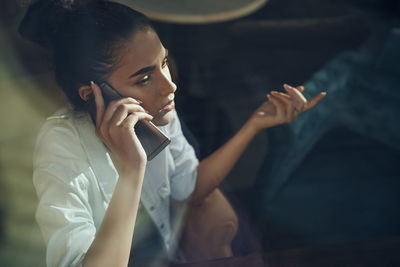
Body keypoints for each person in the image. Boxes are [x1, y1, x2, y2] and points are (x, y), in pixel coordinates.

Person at [19, 1, 326, 266]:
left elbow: (189, 188)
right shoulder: (60, 146)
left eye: (163, 63)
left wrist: (254, 124)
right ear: (91, 93)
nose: (170, 86)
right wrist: (132, 170)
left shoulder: (159, 110)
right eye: (144, 79)